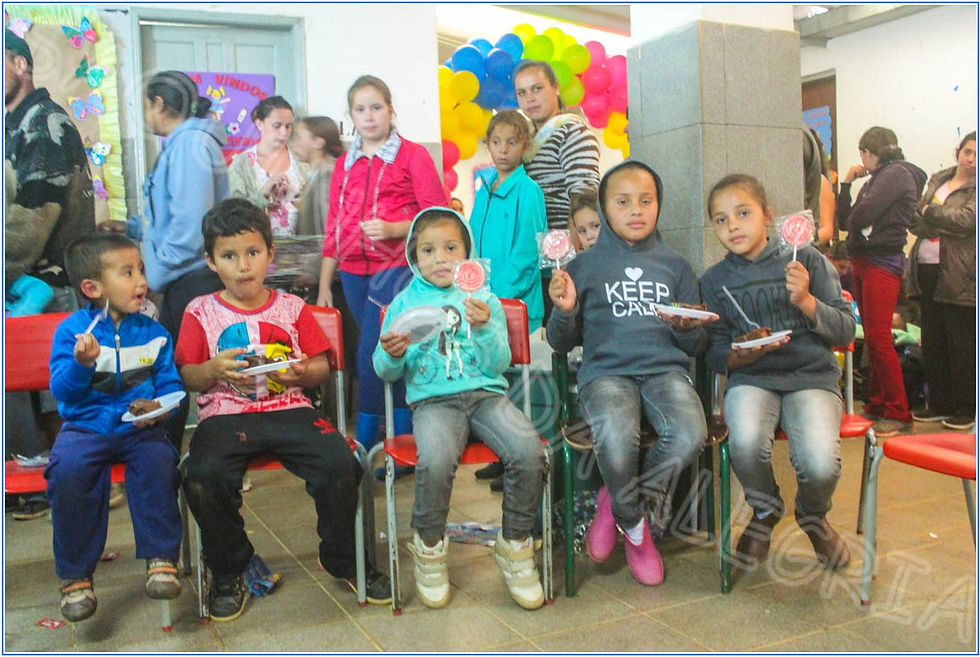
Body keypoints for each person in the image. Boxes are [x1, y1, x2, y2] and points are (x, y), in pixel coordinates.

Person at [177, 199, 391, 622]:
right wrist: (213, 369)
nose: (243, 266)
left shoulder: (292, 307)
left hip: (290, 409)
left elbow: (320, 367)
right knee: (203, 476)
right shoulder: (199, 311)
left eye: (253, 252)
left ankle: (342, 556)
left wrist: (301, 371)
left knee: (340, 464)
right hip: (225, 415)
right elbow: (189, 375)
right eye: (229, 256)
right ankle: (229, 568)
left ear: (270, 253)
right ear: (211, 261)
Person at [373, 207, 546, 610]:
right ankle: (430, 545)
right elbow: (384, 371)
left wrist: (484, 328)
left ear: (467, 253)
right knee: (434, 460)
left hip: (487, 396)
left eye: (451, 248)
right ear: (414, 256)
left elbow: (498, 364)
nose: (440, 258)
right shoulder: (403, 304)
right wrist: (391, 353)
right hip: (433, 401)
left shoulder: (483, 298)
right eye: (428, 250)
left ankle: (515, 544)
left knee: (528, 452)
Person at [546, 161, 708, 586]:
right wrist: (565, 311)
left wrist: (687, 329)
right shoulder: (581, 267)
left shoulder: (677, 267)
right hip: (607, 375)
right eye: (623, 202)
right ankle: (636, 530)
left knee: (689, 434)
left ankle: (614, 502)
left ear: (658, 205)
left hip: (664, 372)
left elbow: (697, 347)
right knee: (617, 439)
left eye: (646, 200)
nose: (636, 210)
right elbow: (560, 342)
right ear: (604, 209)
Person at [701, 174, 856, 573]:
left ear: (768, 216)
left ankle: (812, 514)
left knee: (820, 464)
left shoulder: (807, 260)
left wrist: (805, 301)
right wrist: (742, 355)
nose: (732, 226)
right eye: (720, 220)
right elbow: (716, 354)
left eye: (743, 213)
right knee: (745, 442)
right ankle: (765, 509)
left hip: (812, 378)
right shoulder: (714, 282)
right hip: (753, 380)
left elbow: (844, 330)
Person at [47, 233, 184, 622]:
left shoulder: (155, 333)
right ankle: (75, 575)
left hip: (139, 430)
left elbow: (170, 384)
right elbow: (62, 392)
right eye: (127, 273)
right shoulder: (72, 333)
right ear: (92, 288)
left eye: (140, 269)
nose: (141, 281)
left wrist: (159, 409)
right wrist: (82, 364)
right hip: (84, 427)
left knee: (159, 462)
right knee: (68, 472)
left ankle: (161, 557)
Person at [316, 74, 448, 461]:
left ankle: (368, 446)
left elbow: (437, 216)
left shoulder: (413, 156)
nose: (369, 116)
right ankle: (399, 445)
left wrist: (395, 229)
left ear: (390, 111)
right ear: (351, 116)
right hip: (352, 273)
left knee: (374, 353)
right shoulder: (345, 163)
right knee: (390, 354)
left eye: (376, 107)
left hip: (396, 270)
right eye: (360, 109)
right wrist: (325, 283)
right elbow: (334, 225)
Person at [5, 28, 96, 521]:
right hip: (28, 285)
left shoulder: (44, 123)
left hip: (52, 284)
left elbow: (30, 221)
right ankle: (52, 487)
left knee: (60, 398)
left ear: (20, 64)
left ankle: (73, 488)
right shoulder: (15, 124)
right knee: (35, 396)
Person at [124, 70, 230, 450]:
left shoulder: (190, 146)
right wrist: (134, 229)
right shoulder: (182, 144)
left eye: (144, 106)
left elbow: (190, 230)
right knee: (170, 375)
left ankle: (180, 459)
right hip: (181, 277)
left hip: (192, 278)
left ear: (158, 104)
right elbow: (170, 215)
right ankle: (163, 459)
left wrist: (155, 270)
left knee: (183, 376)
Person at [835, 126, 926, 436]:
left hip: (881, 263)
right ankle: (877, 403)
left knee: (879, 338)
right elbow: (845, 220)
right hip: (867, 261)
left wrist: (855, 212)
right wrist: (846, 184)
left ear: (867, 152)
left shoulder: (895, 174)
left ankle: (899, 412)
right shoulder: (879, 178)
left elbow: (858, 219)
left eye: (862, 153)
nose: (861, 159)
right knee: (874, 339)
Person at [514, 60, 600, 319]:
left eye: (537, 88)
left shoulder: (572, 130)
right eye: (522, 92)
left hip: (564, 260)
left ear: (556, 87)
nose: (530, 98)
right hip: (537, 259)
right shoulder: (527, 139)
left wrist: (570, 260)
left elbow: (583, 198)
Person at [905, 131, 976, 431]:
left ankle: (967, 407)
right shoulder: (938, 179)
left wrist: (931, 213)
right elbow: (914, 219)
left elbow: (967, 221)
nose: (971, 160)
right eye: (968, 152)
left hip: (960, 272)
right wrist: (938, 218)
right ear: (958, 152)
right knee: (933, 340)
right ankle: (940, 403)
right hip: (925, 268)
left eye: (977, 156)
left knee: (961, 342)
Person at [468, 110, 547, 332]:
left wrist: (496, 297)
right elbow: (471, 245)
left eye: (511, 142)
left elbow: (528, 254)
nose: (503, 149)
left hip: (517, 307)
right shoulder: (483, 190)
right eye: (496, 142)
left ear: (525, 146)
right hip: (482, 304)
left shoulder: (528, 190)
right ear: (488, 144)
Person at [229, 96, 310, 236]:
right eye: (277, 126)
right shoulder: (242, 164)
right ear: (259, 124)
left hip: (302, 244)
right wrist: (263, 194)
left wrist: (298, 197)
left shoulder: (302, 160)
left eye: (288, 126)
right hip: (258, 244)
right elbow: (233, 214)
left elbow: (319, 208)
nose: (284, 133)